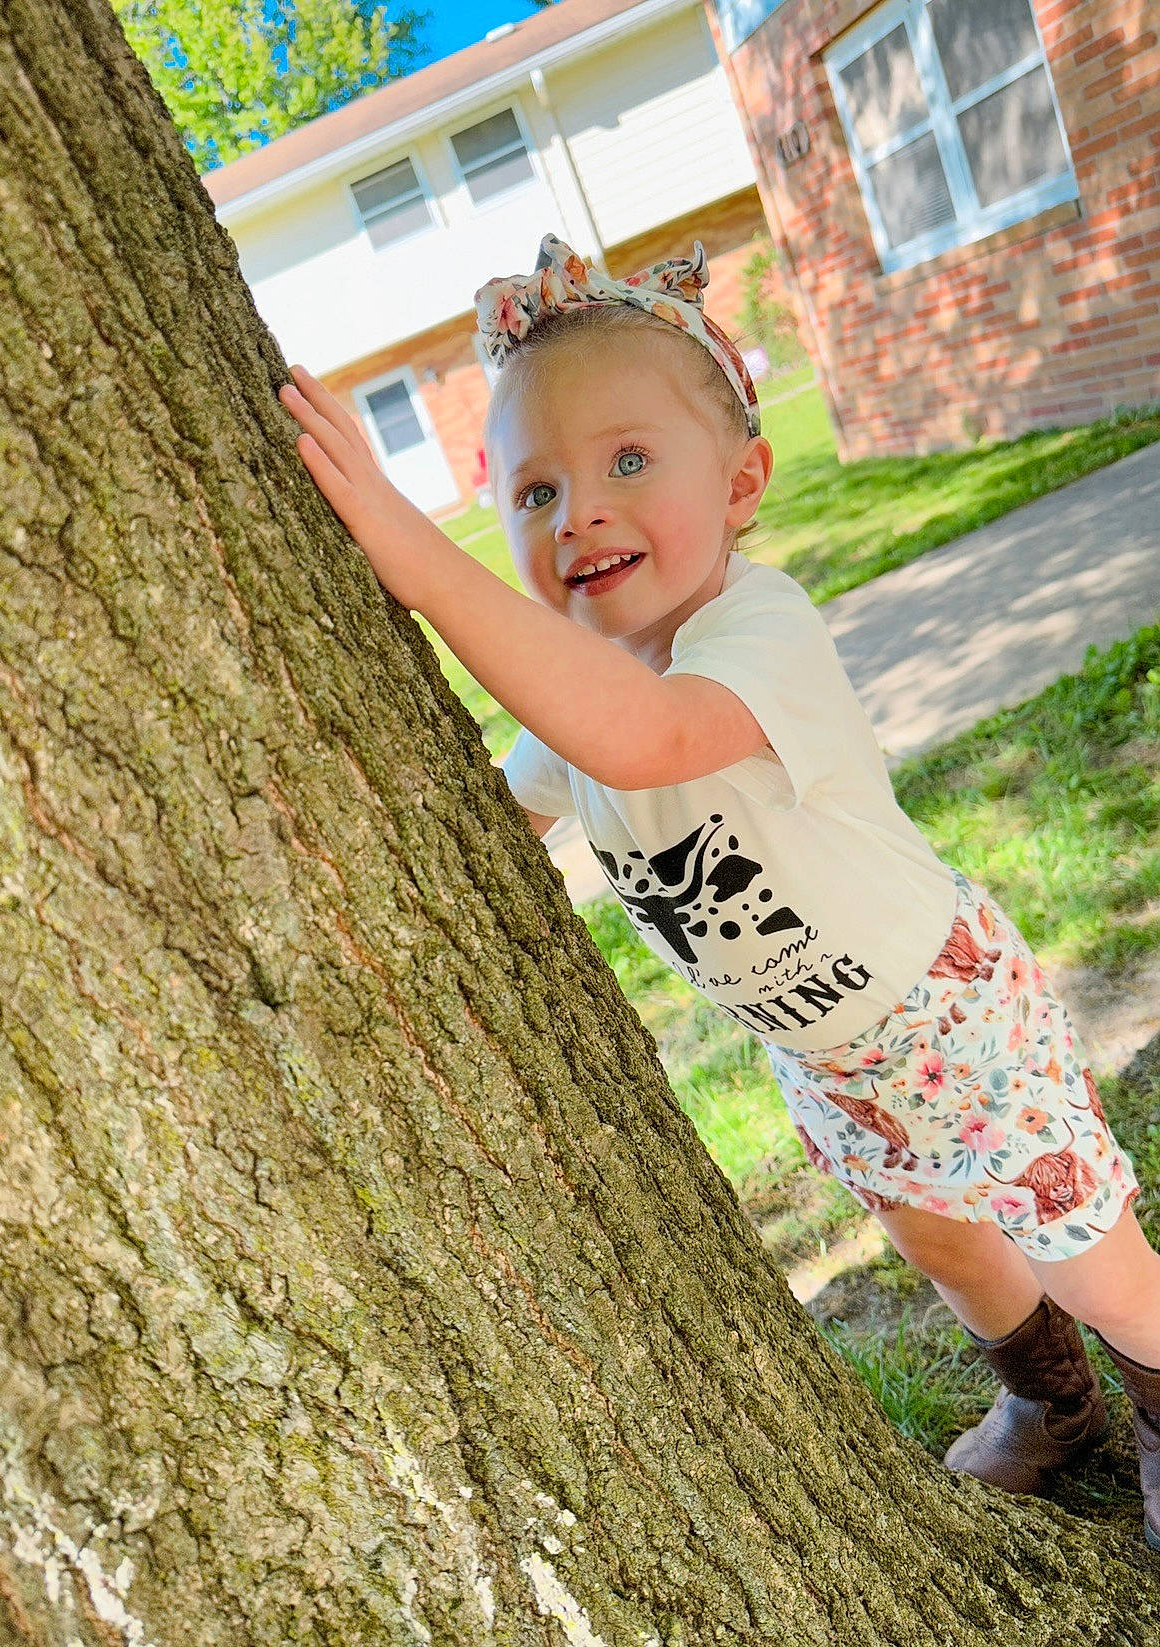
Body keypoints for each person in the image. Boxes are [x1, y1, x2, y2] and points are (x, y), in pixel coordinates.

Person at [278, 232, 1160, 1549]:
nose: (574, 510)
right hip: (821, 1050)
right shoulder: (562, 704)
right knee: (941, 1241)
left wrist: (419, 565)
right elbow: (490, 819)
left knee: (1078, 1247)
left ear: (741, 482)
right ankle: (1050, 1408)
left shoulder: (757, 627)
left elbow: (643, 738)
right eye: (531, 491)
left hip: (941, 1010)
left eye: (627, 461)